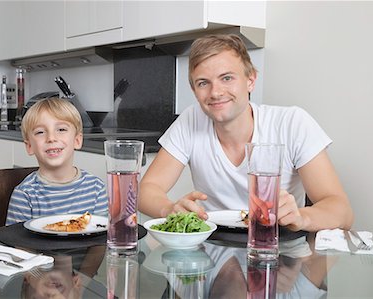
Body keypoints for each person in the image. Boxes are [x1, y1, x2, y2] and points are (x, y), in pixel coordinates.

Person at [139, 34, 353, 232]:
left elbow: (341, 210)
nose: (216, 92)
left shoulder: (292, 123)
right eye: (203, 83)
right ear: (195, 91)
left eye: (227, 78)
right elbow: (147, 189)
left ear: (250, 80)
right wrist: (169, 209)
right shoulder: (191, 120)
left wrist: (301, 217)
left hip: (276, 248)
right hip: (213, 250)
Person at [6, 98, 107, 225]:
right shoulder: (25, 195)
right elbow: (18, 243)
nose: (51, 138)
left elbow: (100, 239)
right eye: (40, 132)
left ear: (77, 140)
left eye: (61, 130)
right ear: (29, 146)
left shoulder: (96, 189)